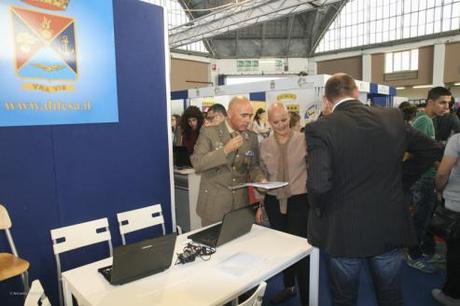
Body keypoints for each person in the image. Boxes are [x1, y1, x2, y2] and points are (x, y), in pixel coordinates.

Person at [305, 73, 443, 306]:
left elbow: (318, 184)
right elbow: (431, 149)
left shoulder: (321, 128)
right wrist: (400, 181)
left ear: (326, 99)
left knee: (344, 298)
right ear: (357, 92)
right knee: (390, 296)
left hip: (343, 229)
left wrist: (320, 210)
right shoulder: (392, 117)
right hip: (387, 223)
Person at [257, 103, 309, 306]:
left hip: (299, 201)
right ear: (269, 122)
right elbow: (259, 170)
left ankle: (307, 298)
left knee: (302, 250)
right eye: (276, 122)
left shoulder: (304, 141)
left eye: (284, 120)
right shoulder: (265, 145)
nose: (281, 125)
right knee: (283, 249)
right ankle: (289, 287)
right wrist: (261, 186)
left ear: (290, 117)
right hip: (273, 201)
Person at [191, 96, 266, 226]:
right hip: (214, 206)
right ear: (230, 114)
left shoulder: (251, 137)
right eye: (244, 115)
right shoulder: (209, 133)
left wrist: (260, 179)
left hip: (240, 206)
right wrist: (225, 150)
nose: (248, 120)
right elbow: (197, 164)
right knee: (214, 245)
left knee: (239, 245)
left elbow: (254, 167)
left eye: (250, 115)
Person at [407, 86, 451, 273]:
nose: (445, 107)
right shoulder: (424, 121)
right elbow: (420, 152)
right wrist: (442, 166)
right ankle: (413, 255)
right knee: (420, 219)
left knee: (424, 219)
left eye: (448, 103)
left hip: (425, 177)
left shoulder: (427, 121)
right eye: (442, 102)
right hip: (423, 178)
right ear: (430, 102)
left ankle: (422, 250)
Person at [433, 133, 460, 305]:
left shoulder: (457, 140)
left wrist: (439, 189)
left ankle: (452, 295)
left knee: (456, 251)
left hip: (457, 204)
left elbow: (443, 172)